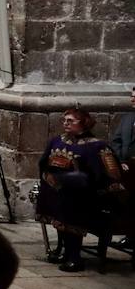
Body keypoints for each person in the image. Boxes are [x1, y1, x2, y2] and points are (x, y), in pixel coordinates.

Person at [35, 108, 124, 271]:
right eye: (64, 120)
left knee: (73, 209)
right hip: (57, 190)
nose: (66, 124)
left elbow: (111, 173)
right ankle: (63, 251)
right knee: (58, 211)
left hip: (87, 197)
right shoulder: (57, 141)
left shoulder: (97, 146)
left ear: (84, 123)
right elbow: (44, 162)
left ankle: (74, 257)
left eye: (70, 121)